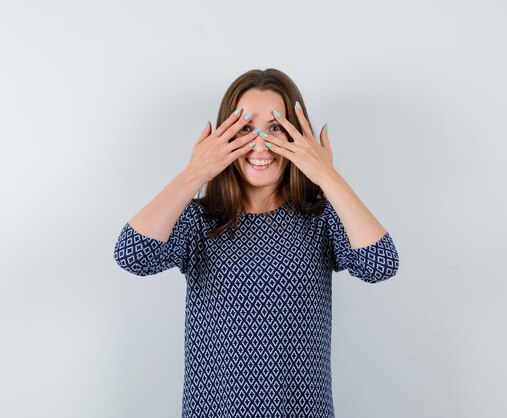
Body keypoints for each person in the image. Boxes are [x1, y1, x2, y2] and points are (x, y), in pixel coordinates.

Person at [113, 68, 399, 418]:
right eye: (245, 128)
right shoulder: (200, 220)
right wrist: (195, 173)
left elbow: (381, 264)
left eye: (276, 127)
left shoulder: (320, 217)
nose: (260, 144)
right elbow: (132, 255)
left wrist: (326, 174)